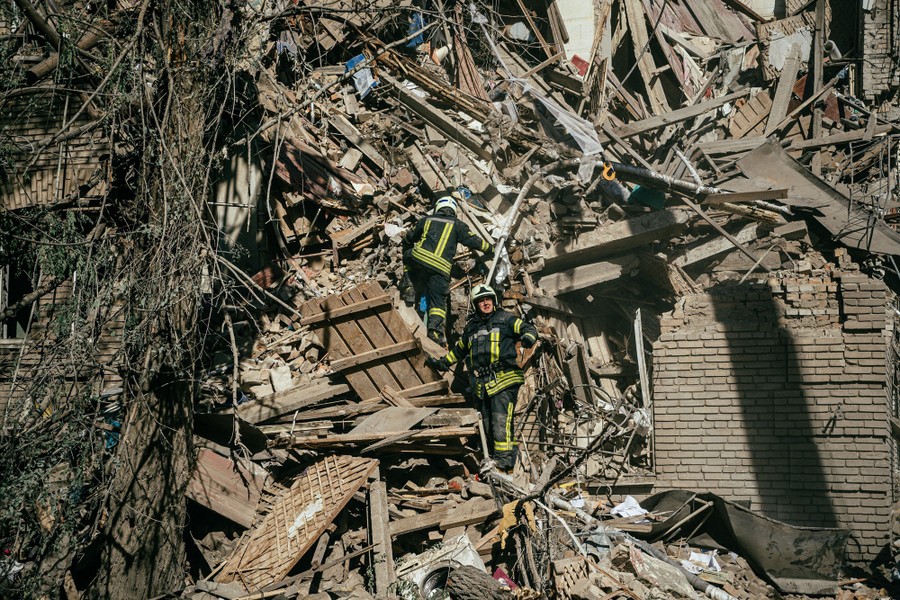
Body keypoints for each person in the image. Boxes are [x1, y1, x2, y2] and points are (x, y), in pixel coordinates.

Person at [425, 284, 538, 471]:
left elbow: (528, 329)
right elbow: (458, 351)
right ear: (476, 304)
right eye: (481, 301)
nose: (485, 303)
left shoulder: (507, 319)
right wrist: (441, 363)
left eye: (488, 299)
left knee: (500, 421)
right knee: (486, 425)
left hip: (505, 378)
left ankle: (503, 462)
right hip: (482, 384)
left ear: (494, 301)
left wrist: (527, 338)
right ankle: (497, 459)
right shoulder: (471, 328)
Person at [402, 190, 493, 346]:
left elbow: (410, 237)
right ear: (454, 211)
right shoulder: (459, 225)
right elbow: (474, 241)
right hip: (440, 269)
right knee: (438, 302)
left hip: (420, 260)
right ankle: (435, 332)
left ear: (438, 208)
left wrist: (407, 239)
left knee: (408, 255)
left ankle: (409, 286)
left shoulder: (426, 220)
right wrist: (491, 249)